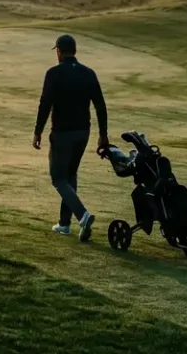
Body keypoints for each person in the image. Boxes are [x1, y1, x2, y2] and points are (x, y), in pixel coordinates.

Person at [33, 33, 108, 242]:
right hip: (83, 132)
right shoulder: (88, 73)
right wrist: (103, 134)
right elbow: (100, 106)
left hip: (62, 133)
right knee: (70, 176)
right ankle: (65, 225)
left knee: (58, 178)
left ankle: (82, 216)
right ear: (74, 51)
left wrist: (38, 131)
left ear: (58, 51)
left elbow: (45, 103)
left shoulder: (54, 73)